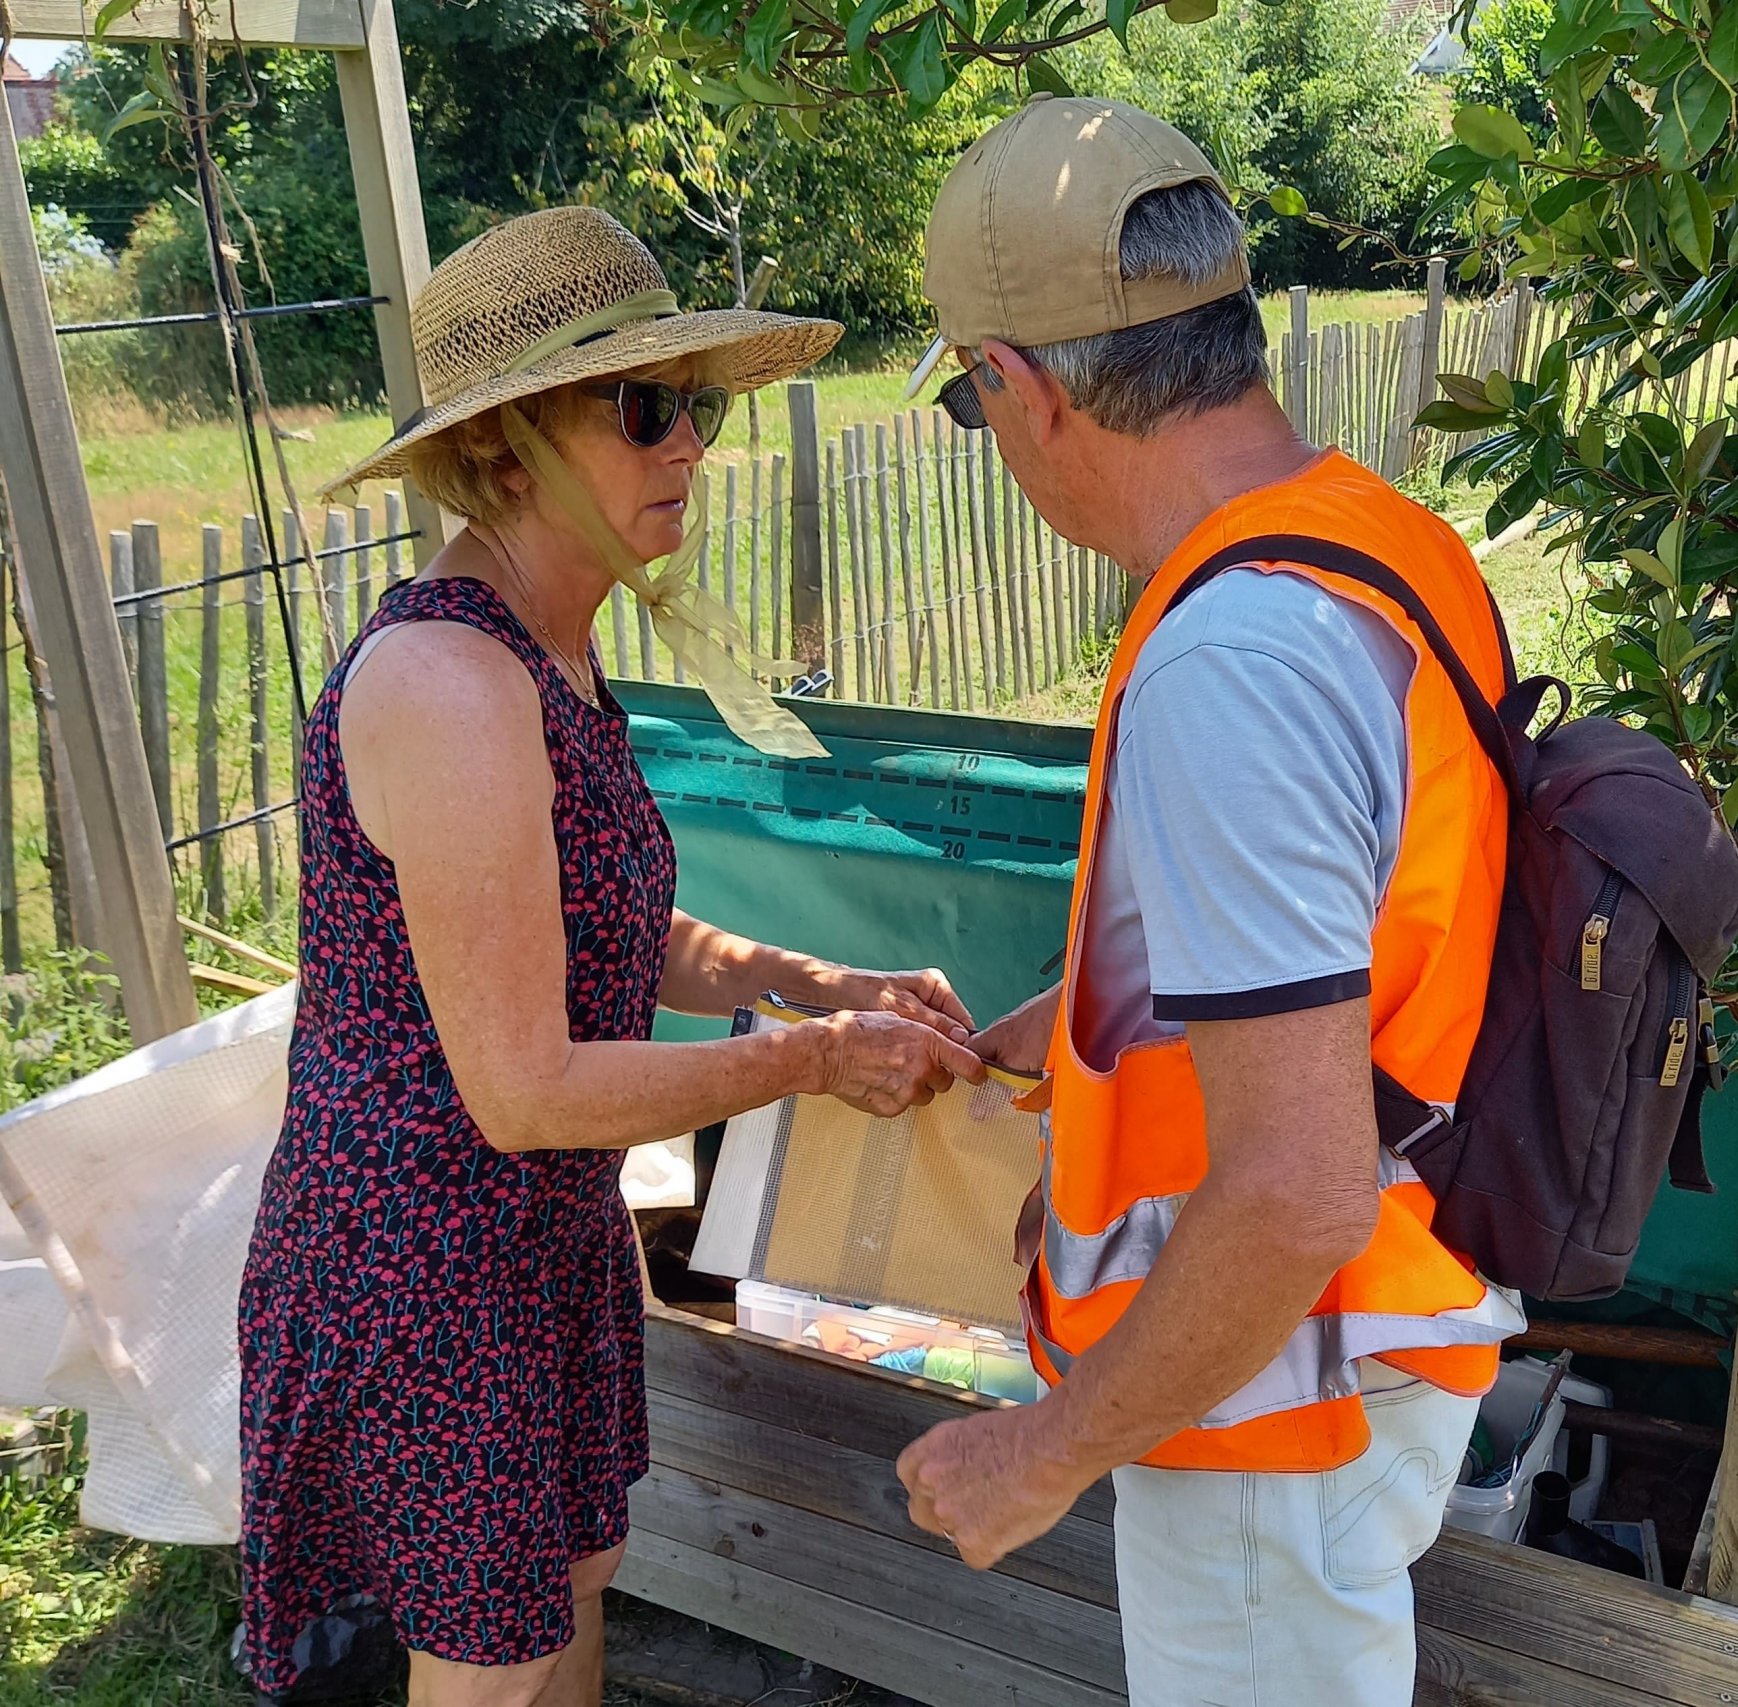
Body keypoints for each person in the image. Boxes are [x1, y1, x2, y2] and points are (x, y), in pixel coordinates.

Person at [238, 206, 985, 1707]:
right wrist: (814, 1062)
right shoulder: (449, 684)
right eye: (645, 409)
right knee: (496, 1677)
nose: (691, 447)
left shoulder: (552, 645)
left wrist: (819, 982)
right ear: (508, 446)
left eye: (696, 406)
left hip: (533, 1241)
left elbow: (624, 941)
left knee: (571, 1608)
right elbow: (520, 1086)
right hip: (430, 1265)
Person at [894, 98, 1525, 1705]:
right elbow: (1321, 948)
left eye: (974, 410)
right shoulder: (1372, 543)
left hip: (1267, 1396)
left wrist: (1043, 1453)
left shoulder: (1229, 662)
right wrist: (1035, 1040)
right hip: (1351, 1332)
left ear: (1016, 389)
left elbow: (1292, 1187)